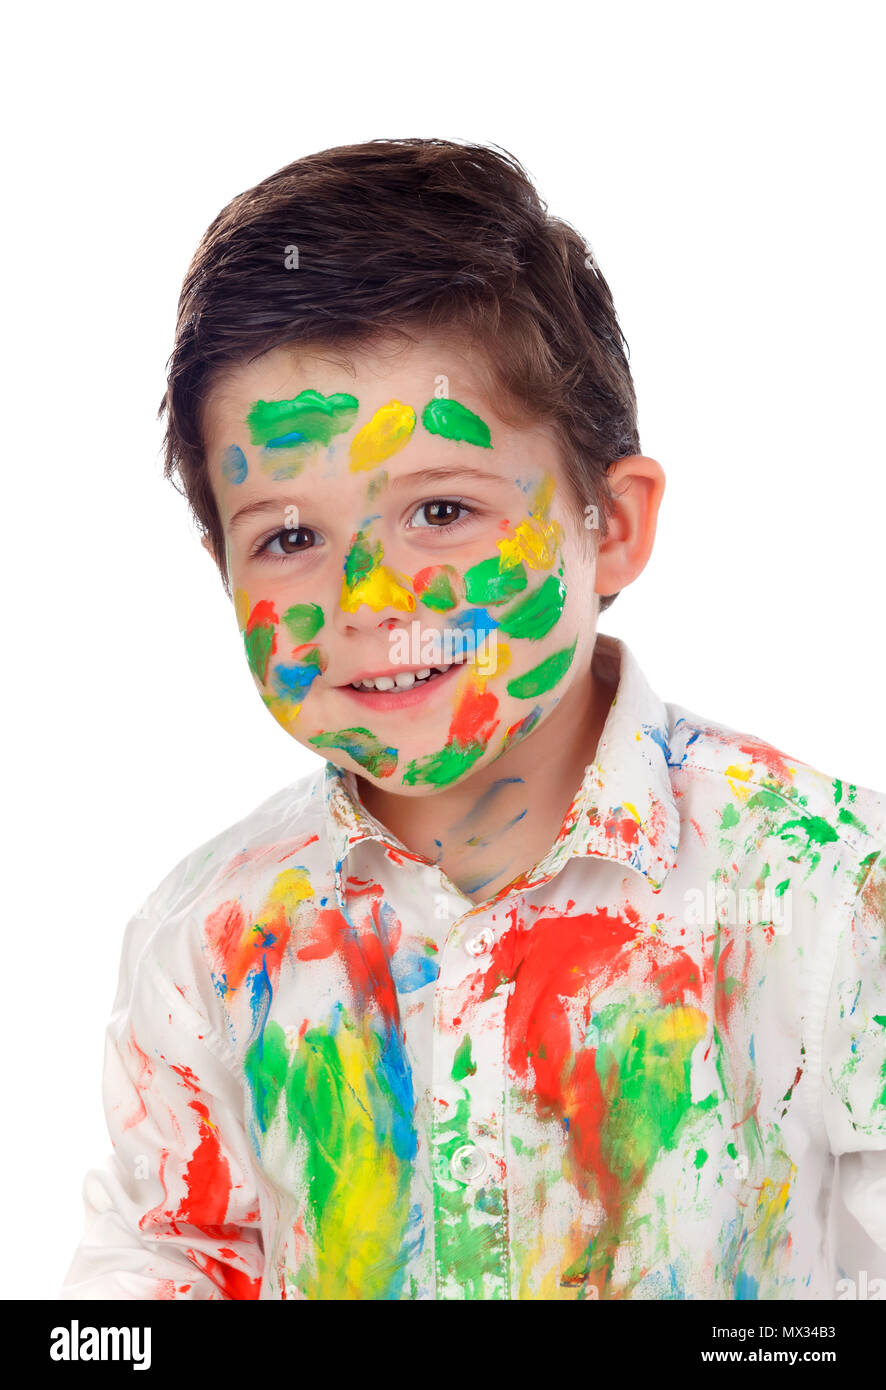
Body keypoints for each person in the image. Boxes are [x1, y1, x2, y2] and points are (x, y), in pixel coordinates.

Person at [60, 138, 886, 1300]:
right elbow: (166, 1260)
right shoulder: (208, 939)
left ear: (614, 521)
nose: (368, 604)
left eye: (440, 510)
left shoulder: (834, 890)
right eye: (289, 538)